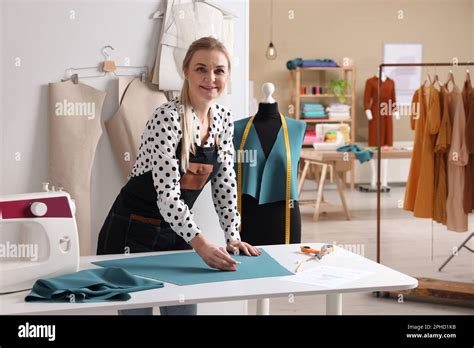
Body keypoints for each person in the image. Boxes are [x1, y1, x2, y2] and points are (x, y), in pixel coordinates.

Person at [97, 36, 260, 315]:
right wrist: (202, 243)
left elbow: (225, 183)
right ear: (185, 71)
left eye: (219, 70)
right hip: (132, 233)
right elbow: (167, 195)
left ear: (228, 75)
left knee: (183, 310)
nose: (211, 77)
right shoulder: (167, 118)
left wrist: (232, 235)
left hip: (177, 230)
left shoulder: (222, 119)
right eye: (201, 68)